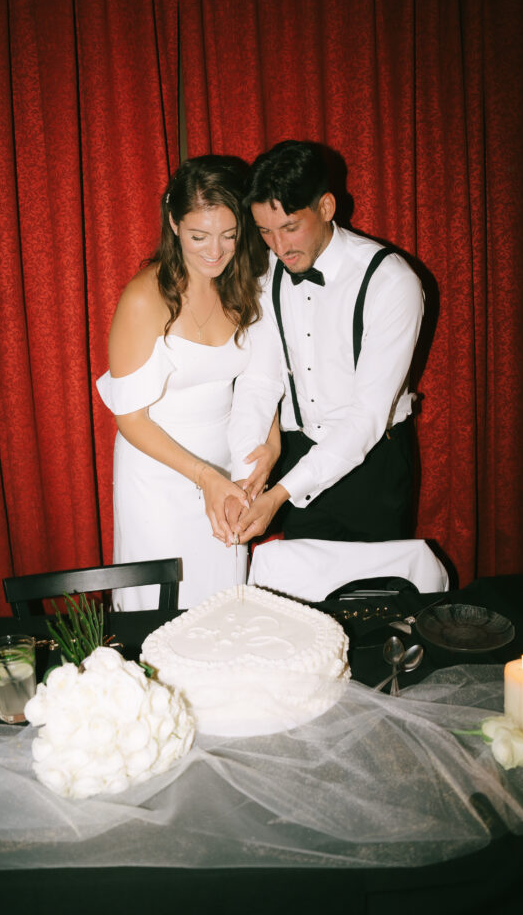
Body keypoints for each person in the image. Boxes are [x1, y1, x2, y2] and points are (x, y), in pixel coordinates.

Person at [97, 155, 281, 610]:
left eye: (229, 235)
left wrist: (270, 446)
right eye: (199, 236)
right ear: (175, 225)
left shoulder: (245, 286)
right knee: (161, 611)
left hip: (225, 467)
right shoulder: (144, 298)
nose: (215, 251)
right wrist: (205, 477)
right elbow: (130, 419)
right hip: (159, 477)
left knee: (223, 605)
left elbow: (260, 382)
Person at [228, 140, 424, 545]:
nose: (279, 247)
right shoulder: (269, 273)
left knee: (379, 601)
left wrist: (280, 494)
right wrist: (245, 478)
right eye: (266, 232)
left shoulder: (392, 282)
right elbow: (260, 381)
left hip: (375, 467)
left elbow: (367, 417)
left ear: (326, 208)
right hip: (301, 457)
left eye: (290, 227)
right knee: (302, 602)